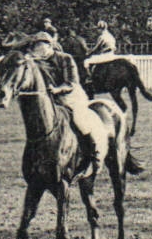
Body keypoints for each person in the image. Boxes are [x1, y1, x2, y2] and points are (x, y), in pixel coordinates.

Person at [25, 32, 105, 178]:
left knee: (79, 119)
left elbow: (72, 82)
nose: (39, 49)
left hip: (71, 98)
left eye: (41, 45)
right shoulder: (35, 63)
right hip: (50, 101)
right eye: (36, 46)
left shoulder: (65, 58)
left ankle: (94, 154)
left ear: (50, 45)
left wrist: (57, 89)